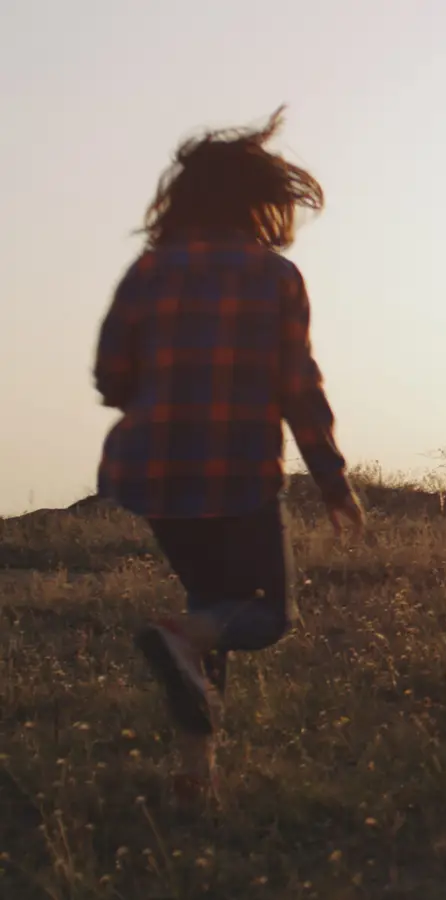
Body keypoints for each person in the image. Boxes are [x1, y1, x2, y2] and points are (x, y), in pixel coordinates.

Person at [94, 107, 365, 807]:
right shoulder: (275, 278)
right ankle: (178, 640)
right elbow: (298, 388)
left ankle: (196, 778)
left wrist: (156, 389)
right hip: (238, 477)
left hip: (152, 474)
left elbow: (109, 375)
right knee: (265, 619)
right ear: (259, 200)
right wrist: (333, 480)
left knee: (205, 613)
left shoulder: (148, 271)